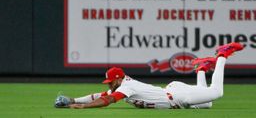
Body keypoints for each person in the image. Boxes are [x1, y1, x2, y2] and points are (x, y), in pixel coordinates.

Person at [55, 42, 244, 109]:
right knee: (207, 103)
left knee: (217, 92)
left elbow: (107, 101)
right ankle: (202, 68)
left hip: (177, 96)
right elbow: (98, 96)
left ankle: (222, 54)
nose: (109, 85)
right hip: (172, 91)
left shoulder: (126, 86)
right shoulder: (122, 85)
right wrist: (73, 99)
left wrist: (83, 108)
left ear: (119, 78)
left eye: (111, 81)